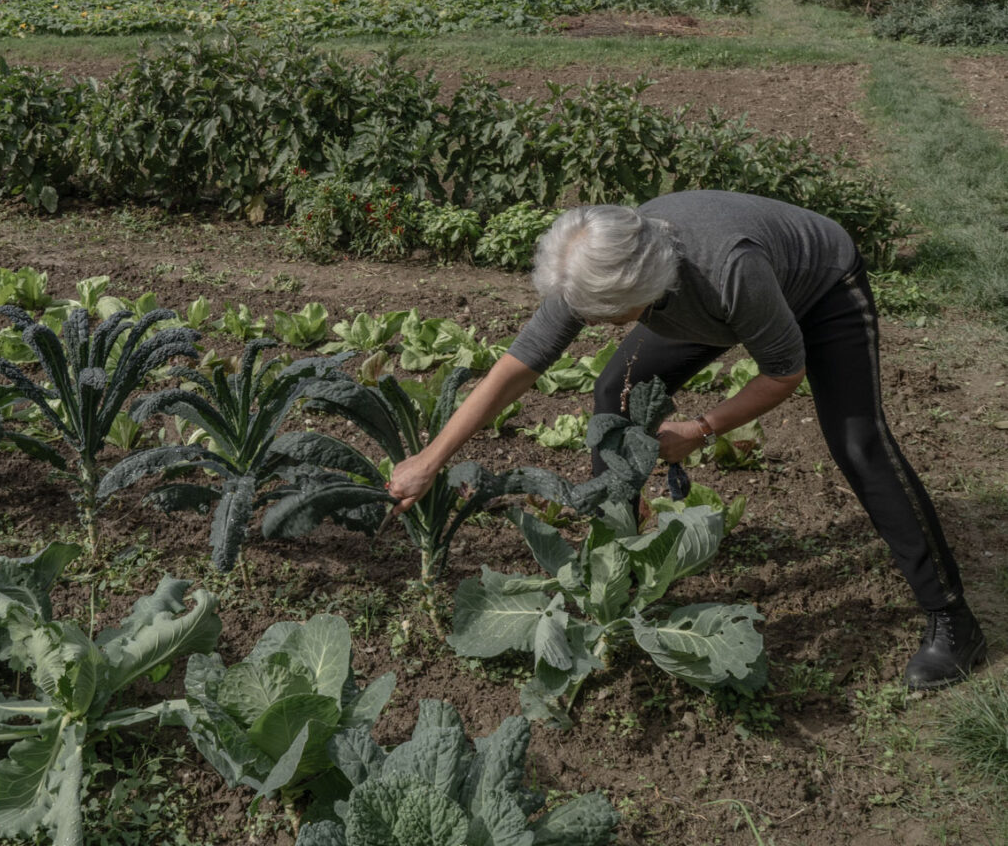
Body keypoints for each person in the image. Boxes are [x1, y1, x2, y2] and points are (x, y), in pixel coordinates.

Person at [386, 191, 984, 690]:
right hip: (706, 304)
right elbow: (519, 364)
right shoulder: (598, 260)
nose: (591, 325)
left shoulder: (729, 269)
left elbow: (783, 372)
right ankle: (620, 547)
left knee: (860, 446)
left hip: (819, 287)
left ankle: (952, 620)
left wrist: (700, 430)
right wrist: (432, 459)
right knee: (615, 391)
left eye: (605, 316)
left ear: (642, 291)